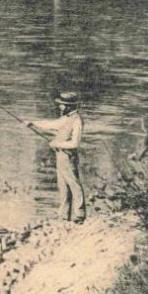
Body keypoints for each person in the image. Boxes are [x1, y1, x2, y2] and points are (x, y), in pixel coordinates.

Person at [28, 91, 86, 223]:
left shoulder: (77, 121)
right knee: (63, 186)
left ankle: (79, 215)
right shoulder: (66, 118)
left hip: (69, 157)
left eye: (61, 105)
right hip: (60, 156)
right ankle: (64, 215)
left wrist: (56, 143)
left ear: (68, 106)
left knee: (74, 185)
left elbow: (75, 144)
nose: (59, 107)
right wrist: (33, 123)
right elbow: (51, 125)